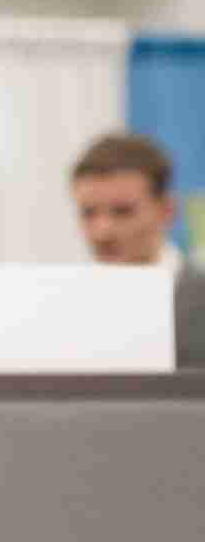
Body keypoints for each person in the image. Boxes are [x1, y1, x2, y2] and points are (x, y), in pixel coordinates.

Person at [70, 132, 205, 366]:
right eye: (88, 213)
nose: (103, 231)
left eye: (122, 212)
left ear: (167, 210)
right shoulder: (65, 308)